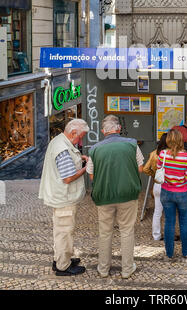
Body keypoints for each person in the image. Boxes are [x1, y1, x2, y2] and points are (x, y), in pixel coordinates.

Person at [86, 115, 144, 279]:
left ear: (103, 131)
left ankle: (103, 269)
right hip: (128, 194)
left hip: (104, 195)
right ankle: (126, 269)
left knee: (105, 232)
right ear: (118, 129)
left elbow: (91, 174)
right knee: (126, 230)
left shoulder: (95, 149)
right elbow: (140, 168)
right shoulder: (132, 144)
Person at [38, 119, 90, 276]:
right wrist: (86, 168)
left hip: (60, 197)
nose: (80, 140)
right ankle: (63, 266)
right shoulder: (62, 147)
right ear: (73, 132)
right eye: (80, 136)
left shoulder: (60, 141)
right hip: (63, 198)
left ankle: (60, 258)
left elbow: (67, 162)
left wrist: (80, 158)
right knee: (64, 232)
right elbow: (68, 177)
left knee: (60, 231)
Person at [157, 129, 187, 259]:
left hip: (166, 192)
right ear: (181, 140)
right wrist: (180, 181)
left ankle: (169, 252)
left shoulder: (162, 154)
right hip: (183, 193)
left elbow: (160, 171)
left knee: (169, 222)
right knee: (184, 222)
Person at [143, 133, 168, 241]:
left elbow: (145, 169)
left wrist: (155, 176)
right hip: (168, 184)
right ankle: (168, 234)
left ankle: (156, 235)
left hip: (158, 184)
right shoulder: (171, 154)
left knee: (157, 212)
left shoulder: (154, 153)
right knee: (169, 212)